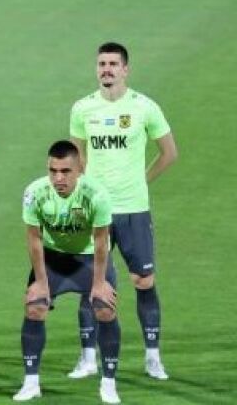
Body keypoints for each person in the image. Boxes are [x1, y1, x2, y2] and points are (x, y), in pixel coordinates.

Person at [67, 42, 177, 381]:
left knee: (143, 280)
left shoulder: (144, 107)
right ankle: (88, 358)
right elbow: (76, 158)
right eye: (102, 63)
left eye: (113, 64)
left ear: (125, 69)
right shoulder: (83, 108)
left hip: (134, 209)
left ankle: (152, 356)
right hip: (96, 212)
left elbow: (169, 152)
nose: (107, 69)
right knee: (92, 281)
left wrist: (143, 180)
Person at [13, 140, 122, 404]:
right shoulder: (35, 193)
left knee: (105, 308)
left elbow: (101, 241)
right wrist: (41, 282)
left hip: (90, 259)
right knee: (34, 307)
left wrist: (99, 283)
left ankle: (108, 383)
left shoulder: (96, 195)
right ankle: (31, 383)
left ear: (79, 169)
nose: (58, 178)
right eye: (53, 171)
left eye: (65, 171)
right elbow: (34, 239)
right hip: (54, 259)